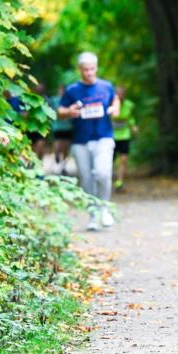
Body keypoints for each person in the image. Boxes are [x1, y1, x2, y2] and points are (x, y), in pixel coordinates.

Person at [58, 52, 120, 231]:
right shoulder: (72, 90)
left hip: (104, 137)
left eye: (92, 69)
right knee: (86, 179)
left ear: (96, 68)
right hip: (80, 141)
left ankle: (105, 208)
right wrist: (69, 111)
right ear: (80, 70)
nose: (89, 73)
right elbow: (60, 111)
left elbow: (115, 100)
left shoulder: (106, 86)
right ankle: (93, 214)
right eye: (86, 70)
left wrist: (115, 108)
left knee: (102, 173)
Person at [111, 85, 137, 191]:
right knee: (110, 161)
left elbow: (130, 117)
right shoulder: (110, 104)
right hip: (111, 136)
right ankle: (108, 179)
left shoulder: (129, 105)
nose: (120, 96)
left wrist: (133, 125)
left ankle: (119, 182)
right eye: (118, 93)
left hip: (124, 135)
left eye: (122, 94)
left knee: (123, 159)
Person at [49, 84, 73, 175]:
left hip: (68, 127)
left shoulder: (70, 101)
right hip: (57, 127)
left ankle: (63, 166)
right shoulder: (54, 100)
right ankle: (57, 160)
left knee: (66, 148)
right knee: (58, 146)